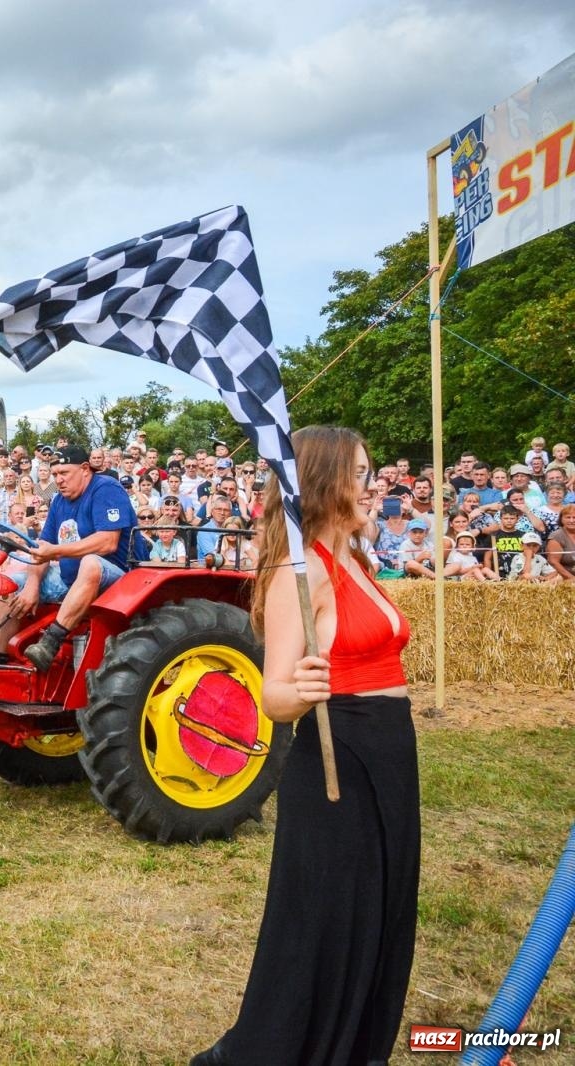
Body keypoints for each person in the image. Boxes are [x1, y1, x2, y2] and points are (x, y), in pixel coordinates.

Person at [192, 426, 417, 1066]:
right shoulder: (303, 572)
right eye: (363, 475)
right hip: (337, 757)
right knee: (327, 918)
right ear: (324, 484)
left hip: (388, 755)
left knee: (382, 906)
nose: (376, 486)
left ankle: (357, 1045)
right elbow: (274, 698)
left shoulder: (355, 559)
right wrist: (304, 688)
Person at [3, 446, 135, 668]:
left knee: (91, 562)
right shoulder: (59, 501)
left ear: (85, 469)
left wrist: (55, 551)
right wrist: (32, 585)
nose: (59, 480)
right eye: (55, 475)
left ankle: (51, 640)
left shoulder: (106, 489)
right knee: (10, 586)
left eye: (64, 473)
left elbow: (108, 542)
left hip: (120, 581)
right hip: (69, 579)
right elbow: (42, 547)